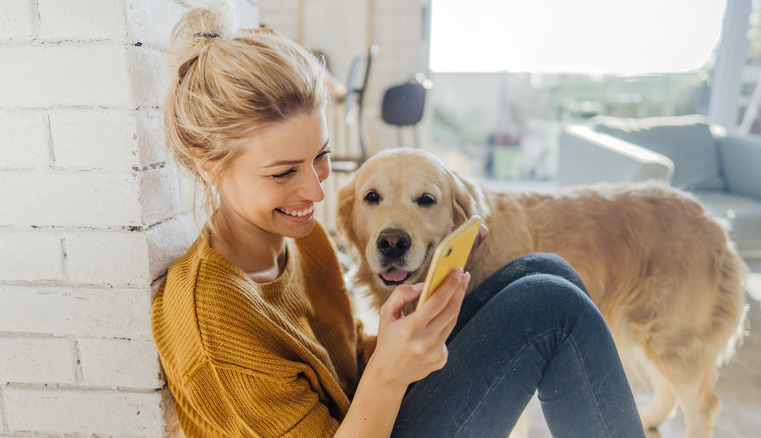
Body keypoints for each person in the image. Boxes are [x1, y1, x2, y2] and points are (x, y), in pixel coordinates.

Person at [151, 5, 647, 438]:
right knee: (550, 306)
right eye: (283, 172)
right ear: (208, 165)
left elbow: (343, 363)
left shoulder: (296, 241)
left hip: (370, 414)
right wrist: (390, 369)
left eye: (320, 157)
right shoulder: (214, 326)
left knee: (542, 272)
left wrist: (407, 334)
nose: (315, 190)